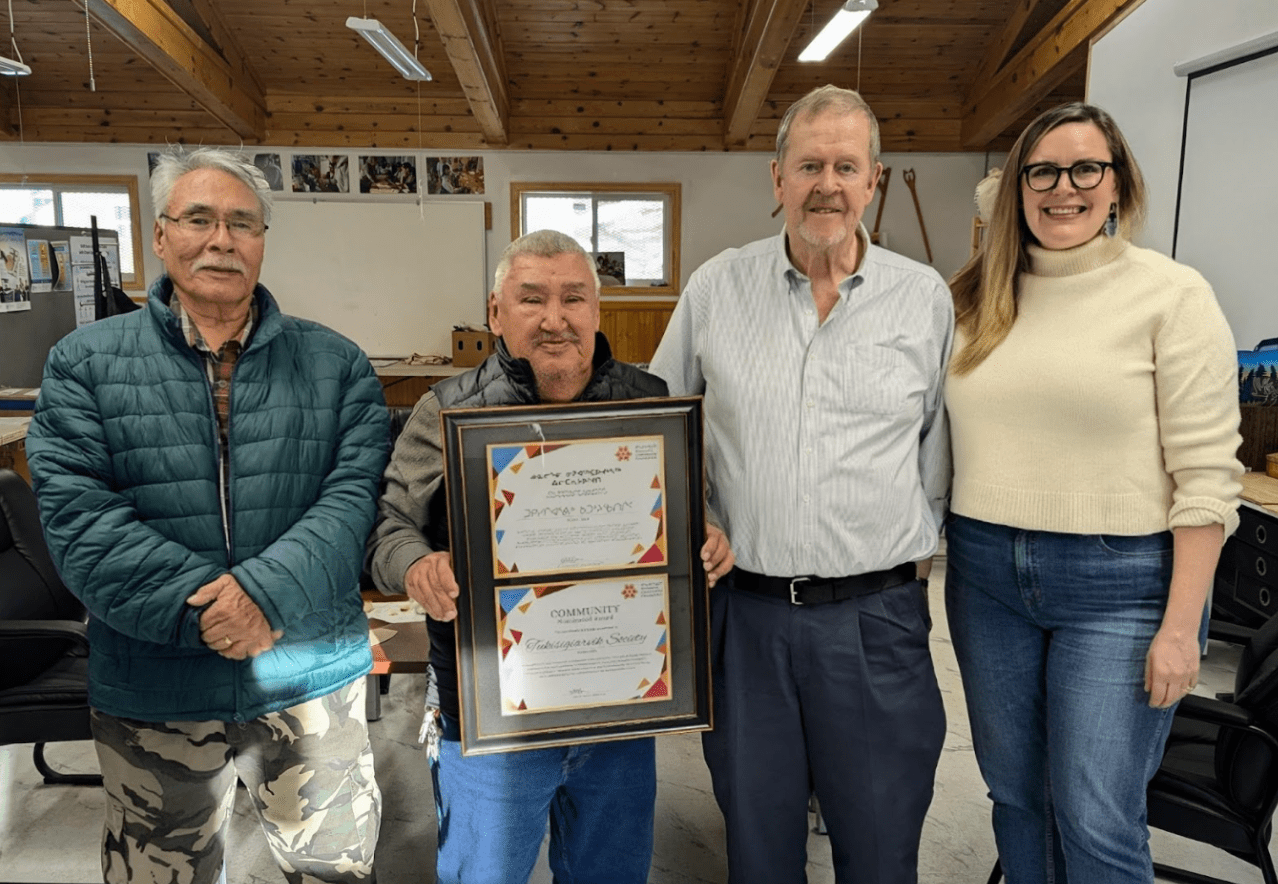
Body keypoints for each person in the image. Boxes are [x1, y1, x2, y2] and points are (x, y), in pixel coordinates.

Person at [26, 147, 388, 884]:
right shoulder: (82, 364)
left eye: (242, 223)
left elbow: (353, 503)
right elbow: (80, 518)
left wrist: (262, 598)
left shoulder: (338, 364)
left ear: (261, 240)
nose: (221, 239)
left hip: (309, 676)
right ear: (160, 236)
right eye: (199, 218)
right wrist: (209, 614)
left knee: (334, 872)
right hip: (154, 685)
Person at [649, 84, 953, 883]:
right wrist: (693, 521)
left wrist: (899, 549)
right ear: (776, 176)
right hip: (746, 620)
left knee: (883, 849)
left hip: (876, 620)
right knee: (758, 846)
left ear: (874, 179)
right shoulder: (717, 287)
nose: (828, 184)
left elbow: (939, 453)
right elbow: (657, 425)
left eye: (846, 166)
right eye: (810, 164)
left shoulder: (922, 299)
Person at [366, 228, 733, 884]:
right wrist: (415, 565)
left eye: (573, 298)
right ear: (495, 311)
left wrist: (706, 533)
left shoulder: (651, 403)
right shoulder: (448, 409)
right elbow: (389, 525)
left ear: (597, 310)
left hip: (620, 706)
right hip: (490, 717)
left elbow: (692, 510)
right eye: (531, 299)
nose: (555, 318)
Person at [944, 102, 1243, 883]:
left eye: (1087, 169)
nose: (1063, 188)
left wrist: (1182, 629)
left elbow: (1209, 478)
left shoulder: (1171, 296)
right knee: (1015, 798)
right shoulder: (974, 298)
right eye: (1040, 171)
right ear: (1014, 188)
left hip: (1122, 585)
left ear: (1119, 184)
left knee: (1096, 814)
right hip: (984, 576)